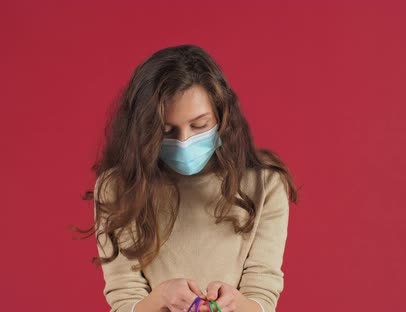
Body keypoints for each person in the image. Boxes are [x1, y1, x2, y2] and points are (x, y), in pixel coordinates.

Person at [80, 44, 299, 312]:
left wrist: (236, 304)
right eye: (167, 131)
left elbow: (263, 294)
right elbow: (124, 299)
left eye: (199, 126)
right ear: (144, 130)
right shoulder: (117, 189)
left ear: (222, 117)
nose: (184, 141)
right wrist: (161, 298)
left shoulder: (264, 185)